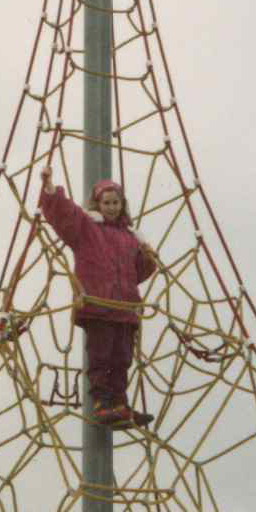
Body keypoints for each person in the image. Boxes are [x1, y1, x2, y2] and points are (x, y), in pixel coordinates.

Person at [39, 166, 156, 425]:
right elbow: (65, 214)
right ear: (98, 204)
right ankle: (102, 403)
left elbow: (137, 272)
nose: (112, 208)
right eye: (107, 203)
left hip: (125, 308)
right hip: (99, 306)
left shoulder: (129, 237)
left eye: (116, 203)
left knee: (123, 358)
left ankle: (121, 404)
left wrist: (148, 257)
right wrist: (50, 189)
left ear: (122, 205)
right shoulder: (88, 228)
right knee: (101, 356)